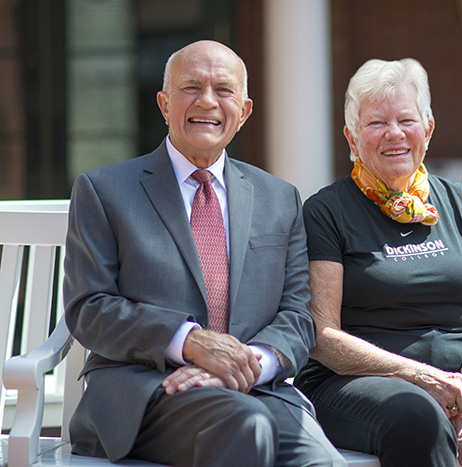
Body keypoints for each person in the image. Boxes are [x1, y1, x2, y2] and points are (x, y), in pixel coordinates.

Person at [63, 40, 346, 467]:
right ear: (163, 103)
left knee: (319, 462)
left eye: (224, 90)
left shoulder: (280, 198)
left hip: (256, 386)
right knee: (247, 429)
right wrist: (190, 343)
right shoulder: (104, 191)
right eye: (191, 87)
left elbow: (298, 317)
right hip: (146, 391)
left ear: (245, 111)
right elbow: (89, 308)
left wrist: (240, 363)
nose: (207, 101)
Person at [294, 58, 462, 467]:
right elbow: (323, 335)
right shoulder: (326, 211)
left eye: (406, 120)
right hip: (356, 384)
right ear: (351, 138)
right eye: (375, 124)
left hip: (461, 380)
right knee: (418, 416)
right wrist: (421, 378)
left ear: (428, 129)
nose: (394, 134)